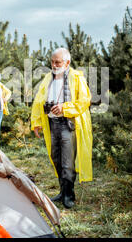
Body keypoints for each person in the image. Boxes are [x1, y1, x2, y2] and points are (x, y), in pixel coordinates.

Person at [31, 48, 93, 209]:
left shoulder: (77, 77)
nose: (54, 64)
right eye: (52, 61)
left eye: (57, 62)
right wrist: (36, 121)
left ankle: (69, 195)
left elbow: (85, 100)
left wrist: (65, 108)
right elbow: (39, 100)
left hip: (68, 125)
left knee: (67, 162)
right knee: (56, 158)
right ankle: (62, 191)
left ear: (67, 62)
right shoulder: (48, 78)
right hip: (52, 124)